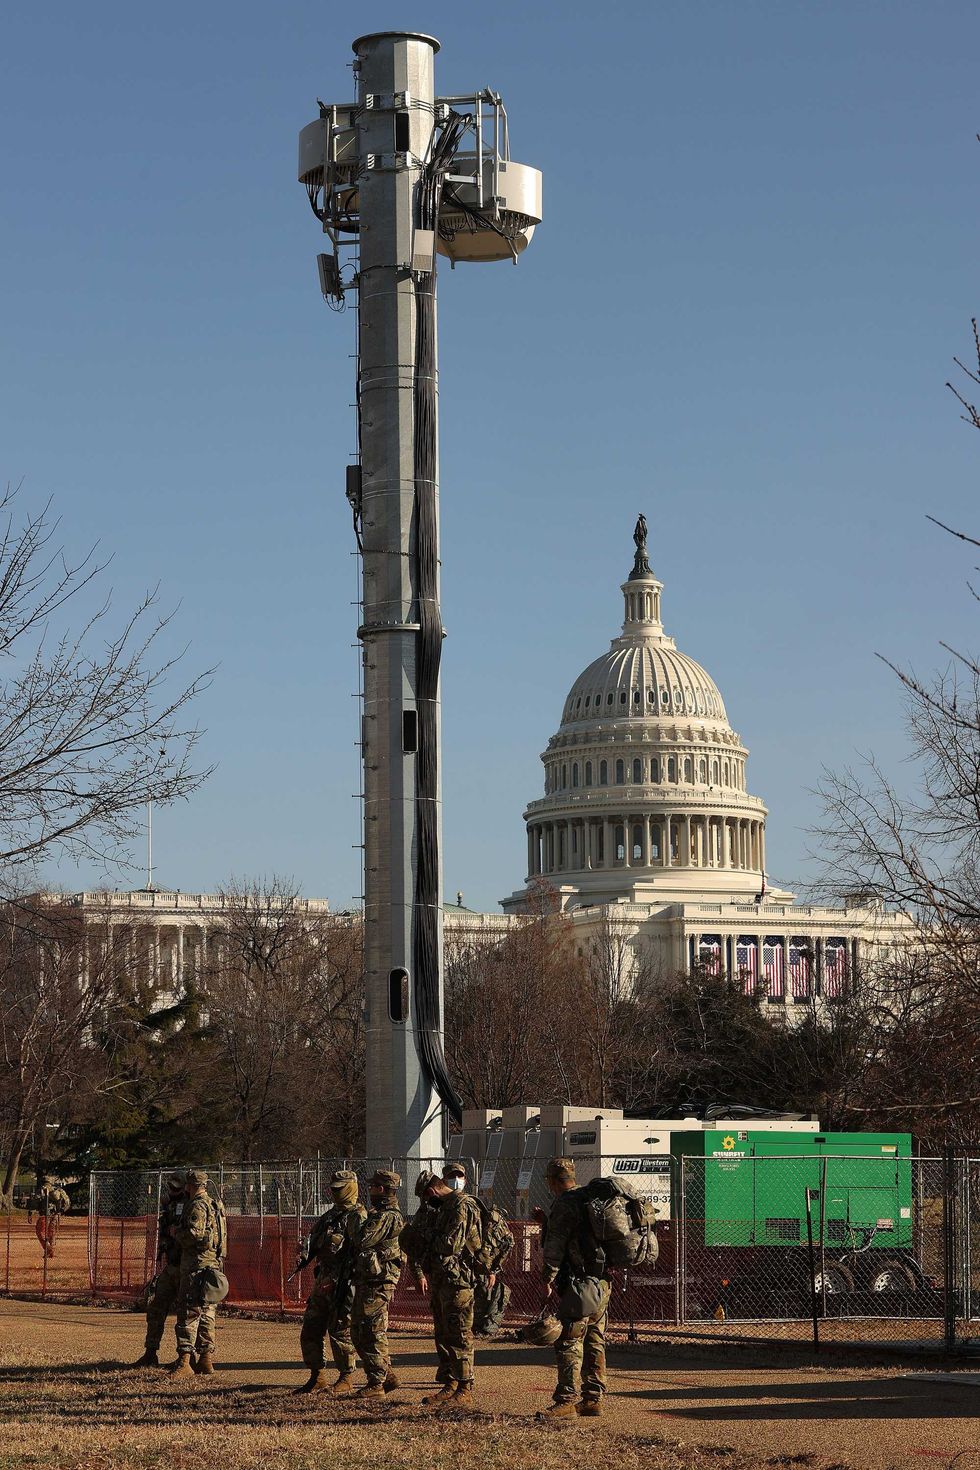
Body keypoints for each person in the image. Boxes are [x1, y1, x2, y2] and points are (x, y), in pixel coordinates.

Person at [406, 1169, 485, 1408]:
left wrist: (423, 1236)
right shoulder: (445, 1207)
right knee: (443, 1334)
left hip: (458, 1283)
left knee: (460, 1335)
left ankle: (464, 1387)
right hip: (443, 1280)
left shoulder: (461, 1205)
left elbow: (450, 1244)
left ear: (431, 1192)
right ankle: (451, 1383)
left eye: (426, 1198)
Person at [539, 1157, 610, 1419]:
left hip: (578, 1285)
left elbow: (555, 1246)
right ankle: (593, 1398)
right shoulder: (588, 1199)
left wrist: (547, 1278)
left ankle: (566, 1400)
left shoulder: (565, 1204)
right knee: (594, 1339)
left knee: (569, 1340)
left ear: (553, 1180)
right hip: (602, 1283)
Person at [295, 1168, 366, 1395]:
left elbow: (362, 1251)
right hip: (323, 1281)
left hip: (344, 1283)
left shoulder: (359, 1217)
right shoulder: (330, 1216)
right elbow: (314, 1240)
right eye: (333, 1190)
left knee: (340, 1331)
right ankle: (317, 1376)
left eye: (340, 1189)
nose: (335, 1194)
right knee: (311, 1328)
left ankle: (346, 1377)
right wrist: (306, 1251)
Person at [349, 1168, 404, 1399]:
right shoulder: (380, 1213)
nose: (368, 1190)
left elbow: (363, 1239)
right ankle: (385, 1375)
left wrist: (356, 1216)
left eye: (372, 1187)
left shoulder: (387, 1216)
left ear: (381, 1189)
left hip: (379, 1281)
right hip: (370, 1279)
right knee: (364, 1330)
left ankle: (376, 1383)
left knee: (369, 1330)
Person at [440, 1163, 511, 1338]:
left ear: (465, 1180)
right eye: (451, 1177)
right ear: (443, 1180)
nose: (456, 1180)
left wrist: (491, 1268)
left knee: (486, 1295)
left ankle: (483, 1327)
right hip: (454, 1269)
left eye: (459, 1176)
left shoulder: (472, 1206)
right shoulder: (441, 1207)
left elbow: (497, 1239)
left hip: (476, 1264)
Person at [172, 1169, 226, 1378]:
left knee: (189, 1310)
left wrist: (176, 1233)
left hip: (196, 1264)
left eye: (187, 1184)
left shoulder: (197, 1205)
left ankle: (185, 1360)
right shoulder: (215, 1204)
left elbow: (195, 1233)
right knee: (207, 1311)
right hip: (212, 1262)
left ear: (191, 1185)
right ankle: (205, 1358)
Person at [134, 1170, 186, 1368]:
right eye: (170, 1186)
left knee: (186, 1314)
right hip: (171, 1265)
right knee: (156, 1308)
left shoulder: (191, 1206)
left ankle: (187, 1358)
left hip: (186, 1266)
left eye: (176, 1186)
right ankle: (150, 1352)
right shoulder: (169, 1205)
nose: (172, 1190)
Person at [34, 1178, 70, 1258]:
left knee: (40, 1232)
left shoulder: (42, 1189)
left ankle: (48, 1248)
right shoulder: (57, 1190)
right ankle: (51, 1252)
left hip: (44, 1214)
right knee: (52, 1233)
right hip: (56, 1214)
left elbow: (36, 1202)